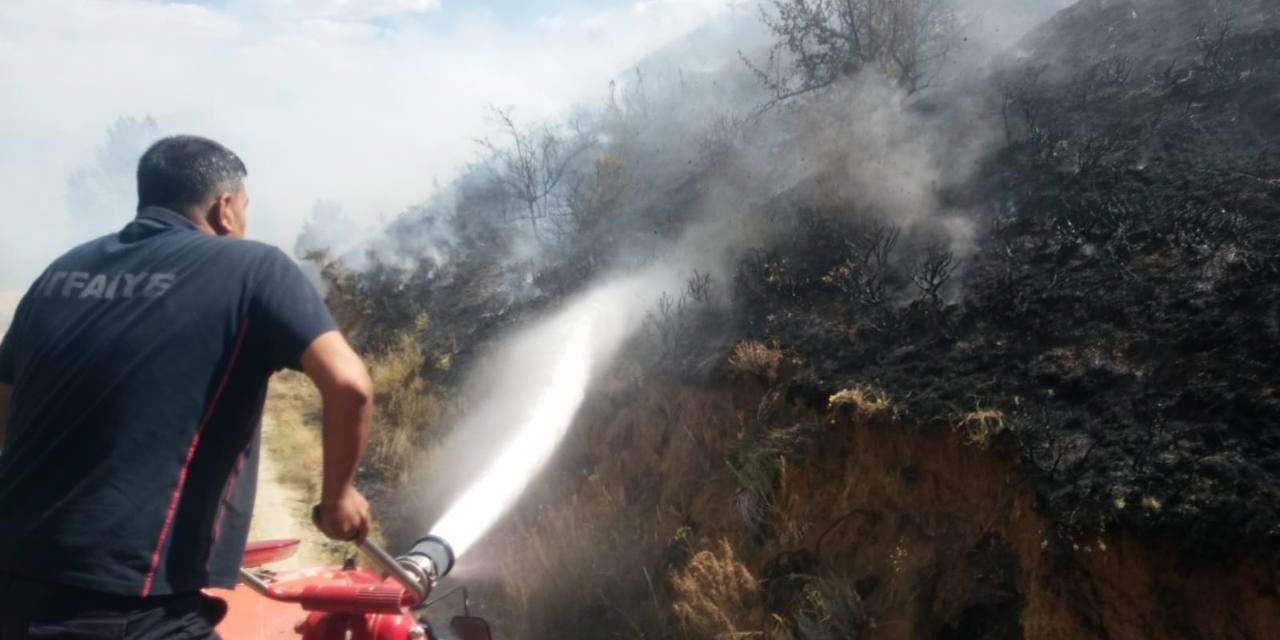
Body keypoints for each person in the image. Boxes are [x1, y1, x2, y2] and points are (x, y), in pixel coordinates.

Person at [0, 135, 373, 639]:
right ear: (224, 209)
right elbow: (349, 384)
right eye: (244, 209)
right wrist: (338, 499)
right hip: (128, 608)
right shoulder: (254, 267)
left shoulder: (60, 272)